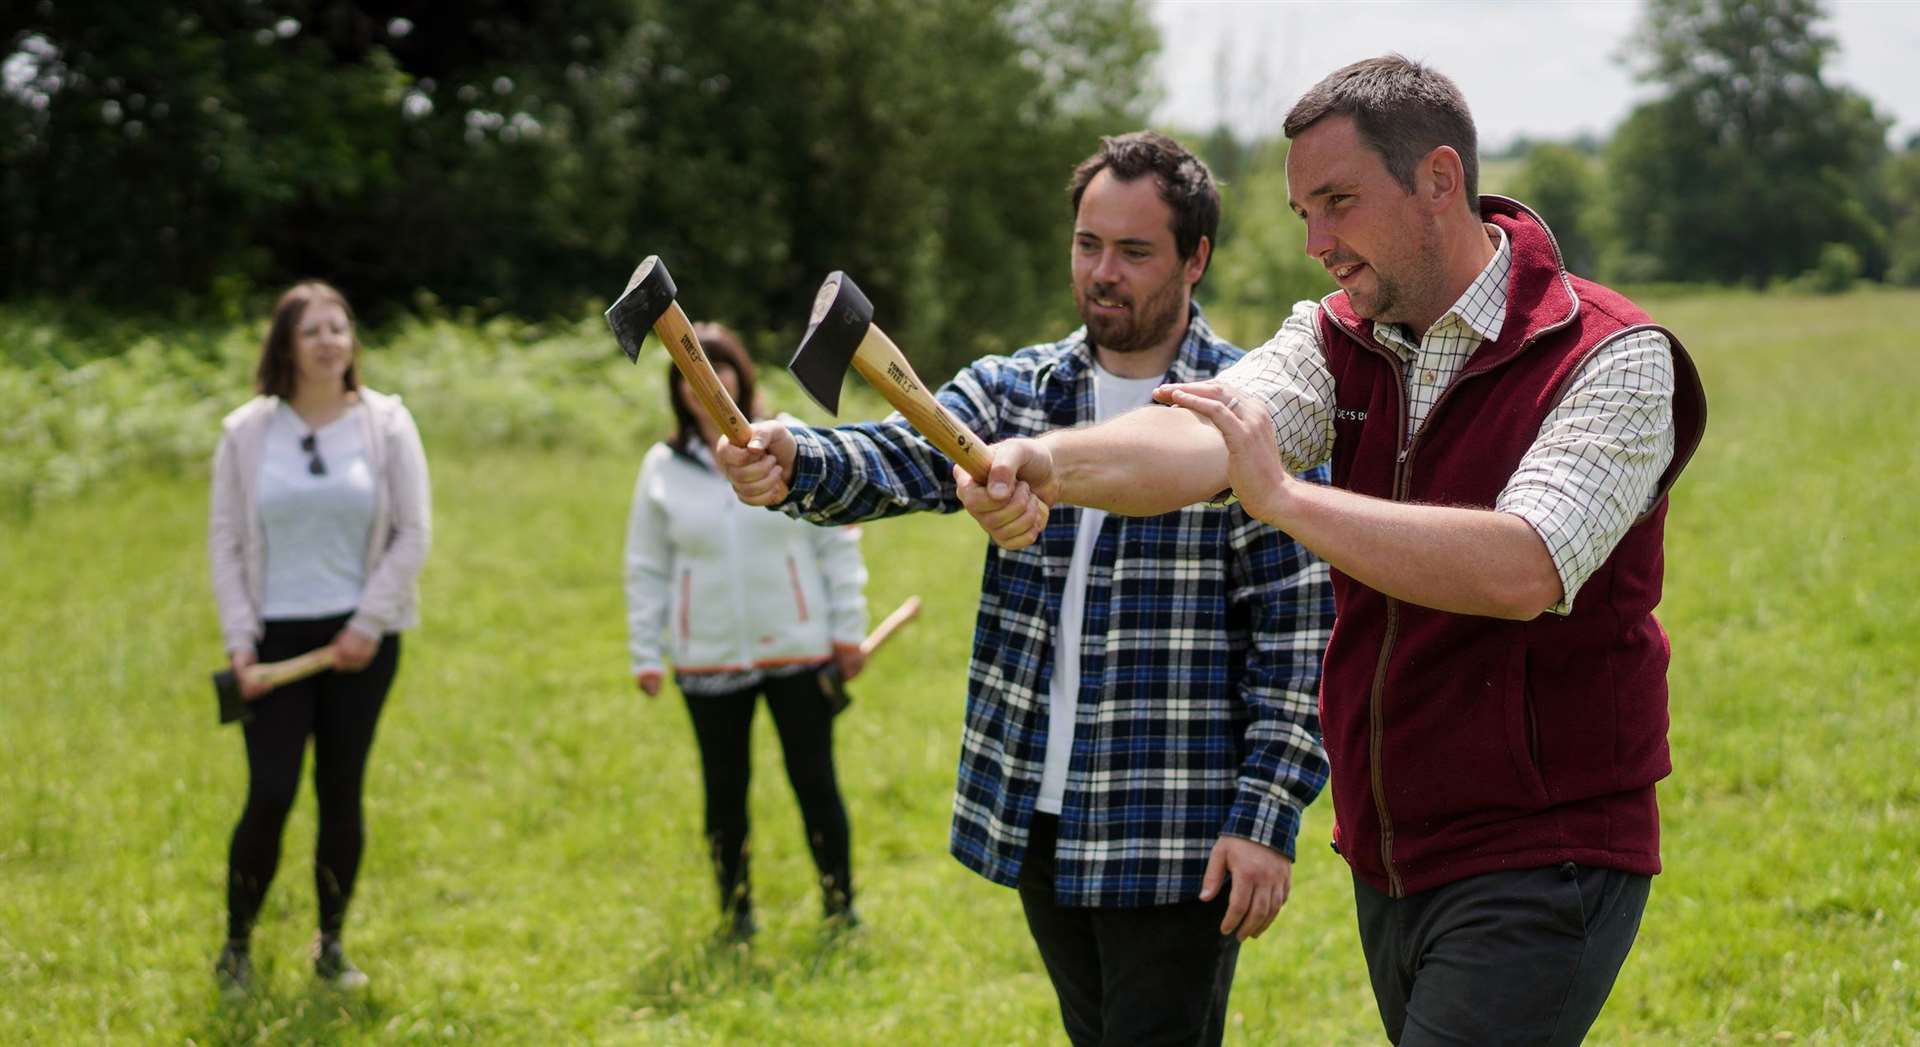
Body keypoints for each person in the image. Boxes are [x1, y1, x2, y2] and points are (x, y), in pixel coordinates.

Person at [957, 57, 1709, 1046]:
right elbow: (1201, 438)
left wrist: (1283, 501)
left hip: (1547, 847)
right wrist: (1042, 461)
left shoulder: (1608, 353)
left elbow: (1524, 566)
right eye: (1303, 212)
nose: (1316, 243)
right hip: (1393, 853)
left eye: (1338, 203)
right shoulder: (1335, 337)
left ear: (1439, 181)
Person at [717, 132, 1332, 1045]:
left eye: (1134, 251)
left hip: (1176, 826)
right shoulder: (1017, 389)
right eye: (1089, 245)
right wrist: (795, 453)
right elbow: (899, 455)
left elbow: (1299, 639)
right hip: (1041, 810)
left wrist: (1266, 814)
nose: (1103, 273)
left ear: (1195, 258)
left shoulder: (1247, 415)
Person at [208, 280, 432, 994]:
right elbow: (226, 542)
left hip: (361, 640)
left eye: (340, 326)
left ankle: (331, 945)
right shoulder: (246, 432)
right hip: (275, 644)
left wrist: (368, 623)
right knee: (270, 792)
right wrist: (241, 640)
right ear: (286, 345)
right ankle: (237, 946)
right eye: (313, 330)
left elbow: (413, 530)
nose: (330, 339)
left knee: (342, 791)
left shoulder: (387, 422)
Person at [625, 322, 869, 942]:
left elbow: (836, 545)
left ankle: (840, 907)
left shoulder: (792, 446)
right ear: (678, 390)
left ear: (739, 373)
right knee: (725, 792)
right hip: (706, 656)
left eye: (718, 366)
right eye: (688, 373)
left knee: (815, 781)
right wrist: (646, 651)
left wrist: (847, 629)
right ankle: (736, 918)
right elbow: (646, 566)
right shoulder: (662, 467)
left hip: (799, 646)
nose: (706, 382)